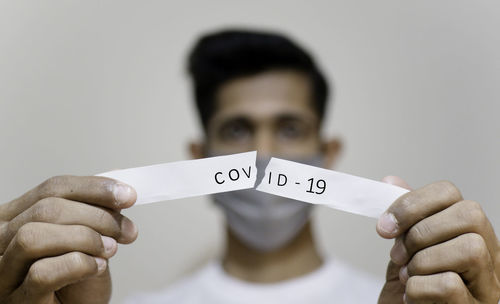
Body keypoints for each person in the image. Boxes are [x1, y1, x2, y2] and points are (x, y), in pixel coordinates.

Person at [0, 29, 498, 304]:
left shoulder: (422, 297)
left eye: (289, 128)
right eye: (237, 130)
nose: (264, 157)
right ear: (200, 157)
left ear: (328, 154)